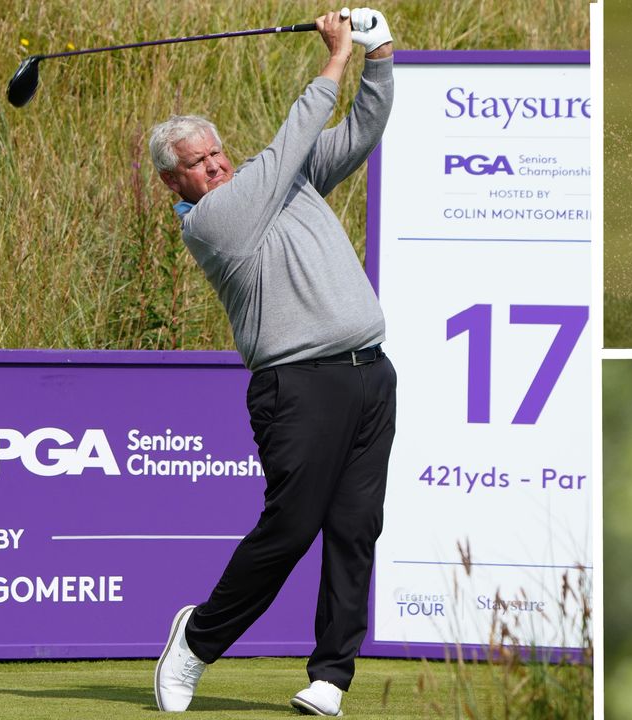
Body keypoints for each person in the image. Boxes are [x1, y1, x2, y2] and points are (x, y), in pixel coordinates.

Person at [147, 9, 394, 716]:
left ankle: (331, 676)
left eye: (216, 151)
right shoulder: (215, 222)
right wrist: (335, 56)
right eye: (195, 162)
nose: (214, 164)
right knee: (291, 528)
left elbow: (361, 130)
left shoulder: (276, 177)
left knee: (355, 527)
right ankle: (196, 640)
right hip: (298, 385)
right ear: (176, 185)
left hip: (371, 376)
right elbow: (298, 134)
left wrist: (377, 55)